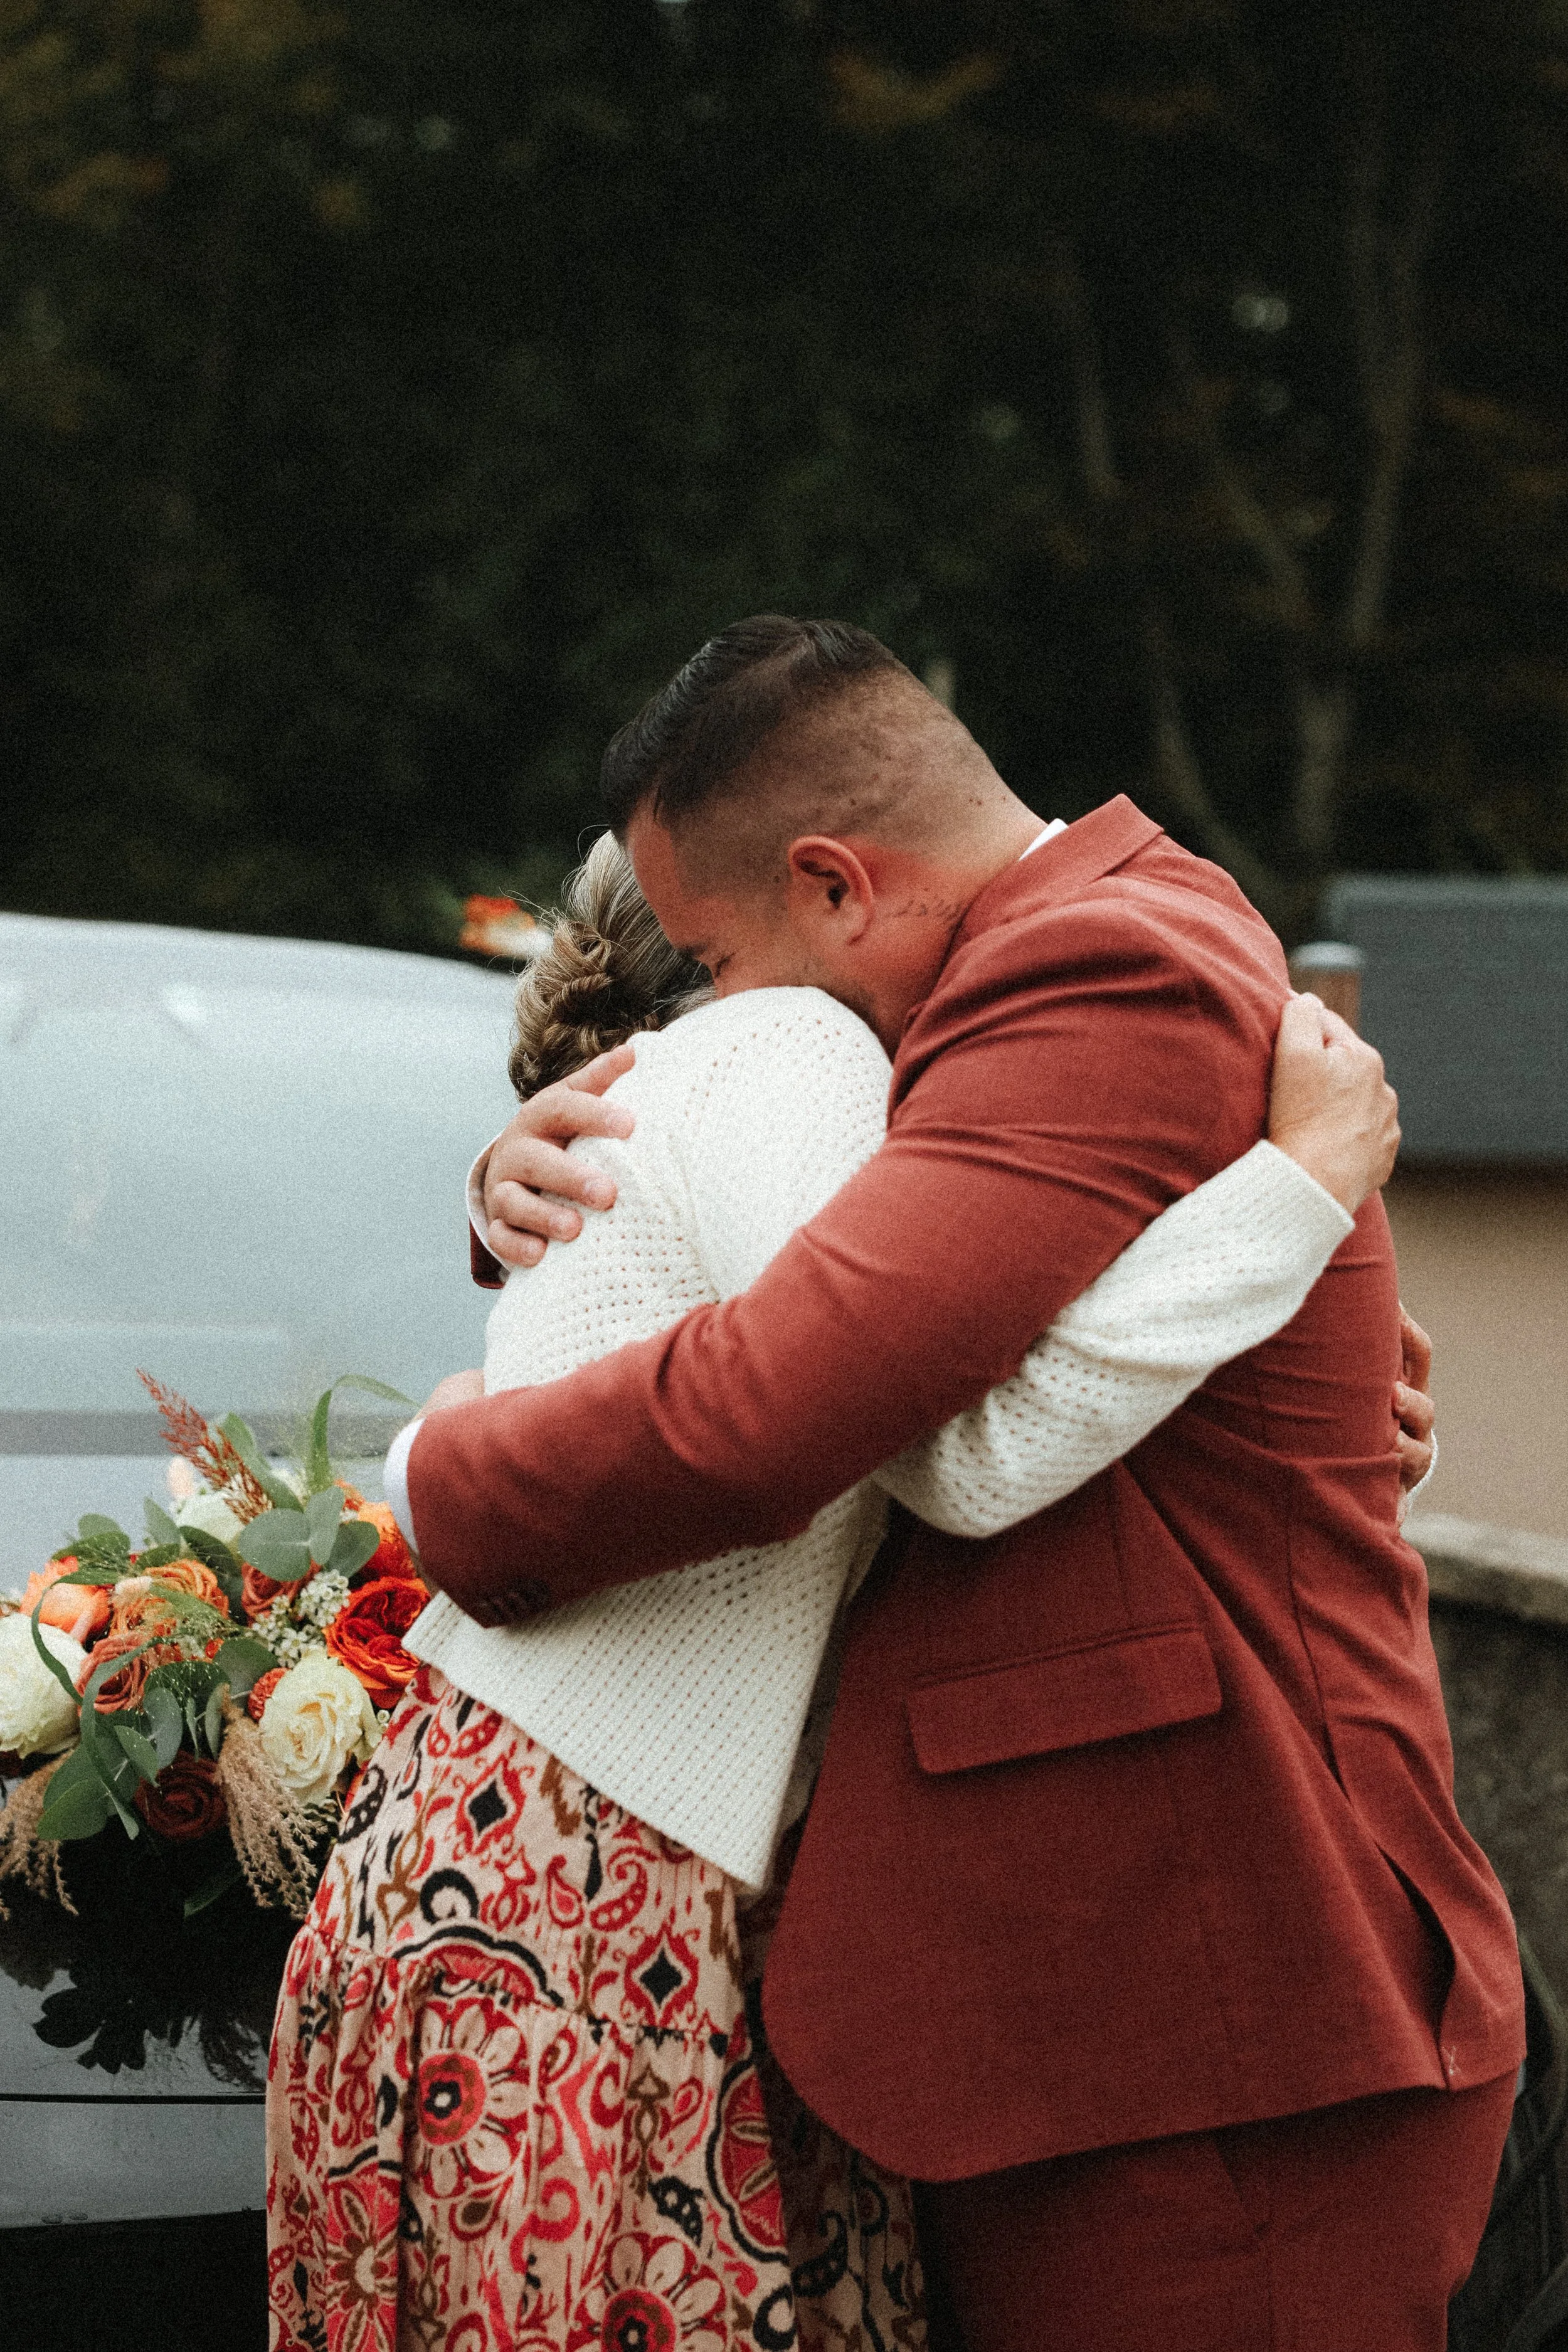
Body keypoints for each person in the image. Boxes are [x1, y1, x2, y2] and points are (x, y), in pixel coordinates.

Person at [395, 616, 1522, 2352]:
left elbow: (819, 1407)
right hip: (1113, 1999)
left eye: (713, 959)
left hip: (1216, 2015)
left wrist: (440, 1473)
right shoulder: (1050, 958)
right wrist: (525, 1193)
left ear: (839, 883)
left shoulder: (1094, 972)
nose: (711, 1017)